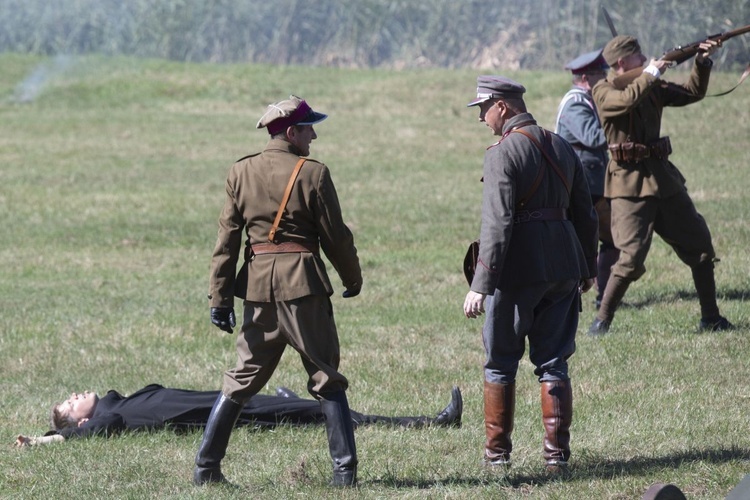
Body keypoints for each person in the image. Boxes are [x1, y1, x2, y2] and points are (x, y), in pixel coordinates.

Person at [196, 95, 363, 487]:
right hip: (303, 287)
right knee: (326, 377)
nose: (314, 135)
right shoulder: (313, 174)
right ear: (292, 132)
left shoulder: (240, 172)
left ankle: (206, 468)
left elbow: (226, 244)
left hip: (256, 290)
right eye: (309, 129)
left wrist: (219, 299)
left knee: (241, 378)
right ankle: (345, 474)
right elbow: (336, 237)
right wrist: (352, 278)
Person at [463, 76, 598, 472]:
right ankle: (557, 460)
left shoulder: (502, 152)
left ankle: (496, 459)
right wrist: (587, 266)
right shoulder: (561, 144)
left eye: (483, 109)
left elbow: (498, 224)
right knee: (554, 362)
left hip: (519, 270)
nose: (481, 119)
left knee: (500, 362)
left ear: (502, 106)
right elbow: (585, 213)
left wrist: (481, 285)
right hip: (564, 265)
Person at [587, 35, 732, 335]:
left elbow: (692, 92)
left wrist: (701, 61)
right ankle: (601, 322)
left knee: (699, 244)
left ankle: (711, 317)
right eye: (639, 56)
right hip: (628, 186)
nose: (645, 59)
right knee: (630, 259)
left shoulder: (651, 85)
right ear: (622, 63)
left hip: (663, 180)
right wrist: (652, 72)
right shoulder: (603, 90)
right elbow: (625, 101)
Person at [15, 384, 463, 447]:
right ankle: (427, 422)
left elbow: (106, 399)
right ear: (80, 422)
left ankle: (284, 399)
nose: (77, 394)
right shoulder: (107, 421)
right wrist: (44, 439)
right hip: (223, 412)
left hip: (225, 398)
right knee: (325, 409)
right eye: (72, 402)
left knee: (293, 405)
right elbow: (84, 434)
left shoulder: (116, 402)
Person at [555, 48, 620, 309]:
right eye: (599, 74)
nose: (605, 78)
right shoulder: (575, 103)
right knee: (579, 243)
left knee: (612, 239)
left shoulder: (589, 100)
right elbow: (594, 137)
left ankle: (604, 295)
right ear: (585, 77)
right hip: (581, 188)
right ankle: (572, 293)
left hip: (595, 186)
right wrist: (620, 114)